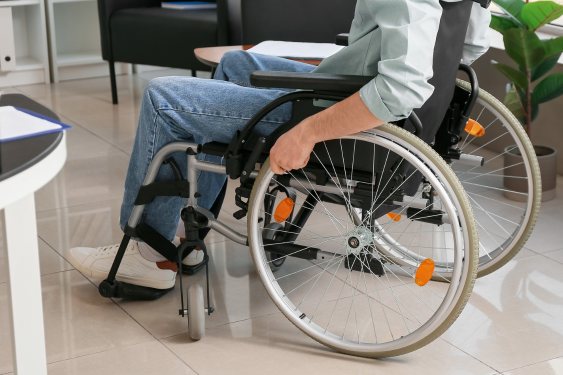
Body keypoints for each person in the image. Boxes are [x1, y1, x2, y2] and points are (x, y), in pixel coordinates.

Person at [67, 0, 491, 294]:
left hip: (341, 118)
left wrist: (306, 134)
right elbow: (466, 51)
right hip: (366, 97)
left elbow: (400, 88)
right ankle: (188, 231)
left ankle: (148, 251)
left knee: (164, 98)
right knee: (236, 63)